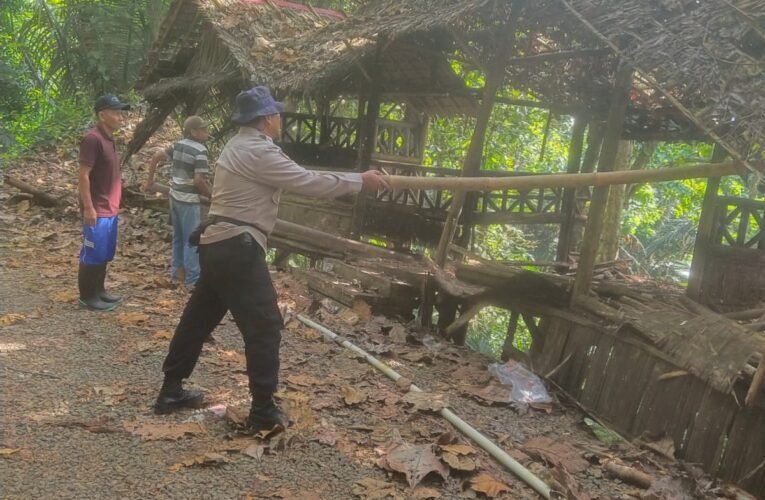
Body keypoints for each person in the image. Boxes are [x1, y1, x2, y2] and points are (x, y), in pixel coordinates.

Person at [154, 86, 389, 431]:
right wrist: (360, 181)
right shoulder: (256, 151)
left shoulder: (241, 145)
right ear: (267, 119)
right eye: (277, 114)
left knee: (198, 319)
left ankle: (171, 389)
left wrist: (358, 179)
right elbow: (308, 181)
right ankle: (263, 410)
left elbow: (298, 175)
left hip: (218, 245)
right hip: (236, 248)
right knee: (265, 326)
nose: (280, 118)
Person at [145, 116, 212, 288]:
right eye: (203, 129)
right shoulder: (200, 151)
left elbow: (157, 156)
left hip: (174, 196)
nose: (206, 132)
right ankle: (192, 279)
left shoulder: (178, 144)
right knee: (191, 239)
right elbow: (198, 180)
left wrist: (150, 180)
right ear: (194, 132)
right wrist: (212, 196)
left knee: (179, 236)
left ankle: (177, 272)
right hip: (189, 200)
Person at [77, 94, 130, 311]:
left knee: (105, 252)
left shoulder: (109, 139)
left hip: (110, 208)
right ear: (102, 115)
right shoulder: (93, 139)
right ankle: (87, 296)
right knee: (92, 252)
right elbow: (83, 175)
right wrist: (89, 207)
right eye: (116, 112)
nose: (120, 117)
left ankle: (100, 290)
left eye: (120, 112)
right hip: (97, 208)